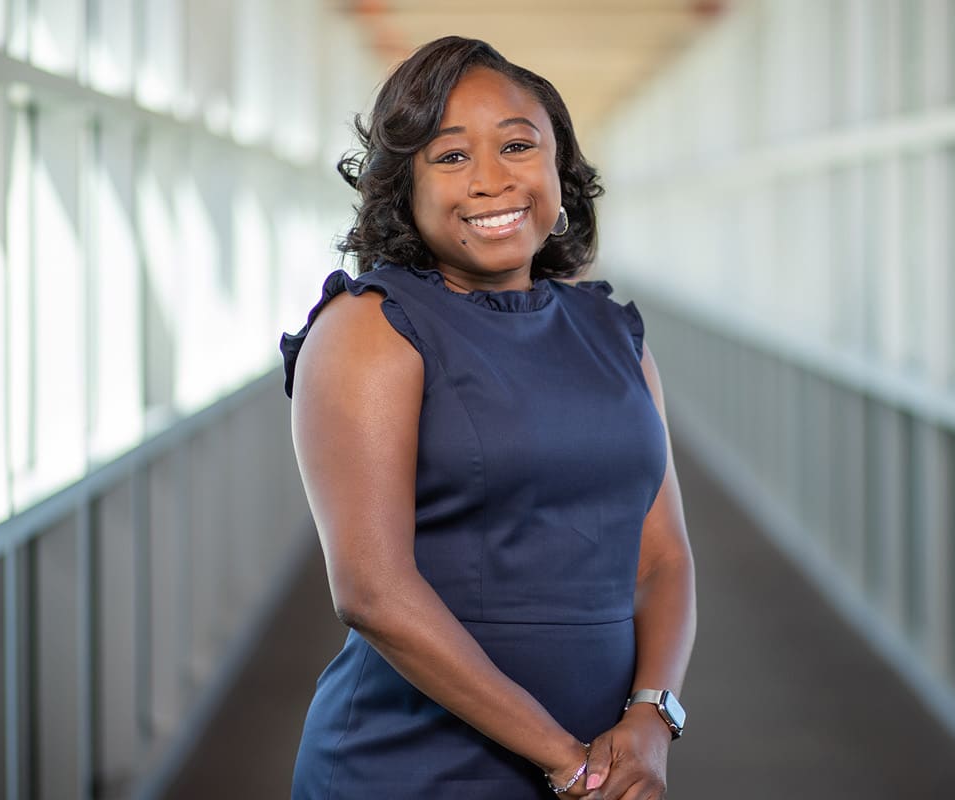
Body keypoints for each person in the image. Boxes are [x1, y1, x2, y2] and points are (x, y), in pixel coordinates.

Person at [278, 36, 696, 799]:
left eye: (516, 146)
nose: (492, 180)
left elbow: (663, 558)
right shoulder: (370, 329)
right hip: (412, 767)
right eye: (450, 157)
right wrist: (566, 759)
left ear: (559, 171)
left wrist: (650, 719)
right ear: (402, 185)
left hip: (608, 766)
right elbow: (371, 590)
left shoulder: (615, 336)